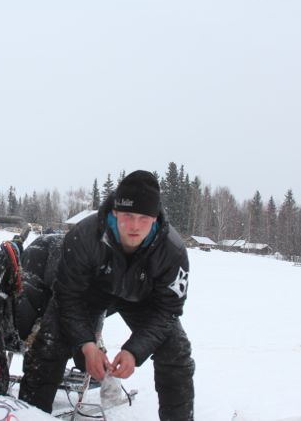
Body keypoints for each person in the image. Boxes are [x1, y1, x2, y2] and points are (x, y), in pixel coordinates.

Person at [18, 170, 195, 421]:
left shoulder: (172, 251)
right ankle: (29, 415)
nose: (134, 226)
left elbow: (168, 310)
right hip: (90, 293)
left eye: (144, 218)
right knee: (49, 343)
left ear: (155, 219)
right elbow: (67, 296)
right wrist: (87, 344)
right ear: (115, 212)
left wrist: (135, 351)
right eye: (128, 216)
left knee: (176, 351)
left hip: (142, 298)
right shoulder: (84, 236)